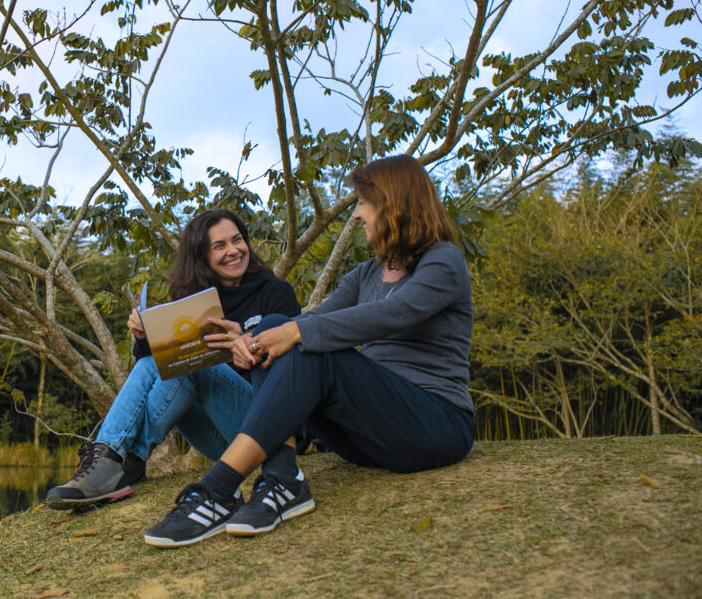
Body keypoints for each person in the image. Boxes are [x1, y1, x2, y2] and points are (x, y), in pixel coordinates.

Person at [143, 155, 475, 547]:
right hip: (368, 438)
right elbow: (309, 321)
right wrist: (248, 335)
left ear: (393, 204)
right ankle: (283, 477)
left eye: (362, 203)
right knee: (273, 326)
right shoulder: (367, 273)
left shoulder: (443, 261)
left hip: (435, 425)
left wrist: (293, 331)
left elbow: (391, 314)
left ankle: (219, 488)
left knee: (298, 335)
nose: (355, 216)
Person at [45, 209, 300, 509]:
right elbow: (153, 366)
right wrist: (143, 336)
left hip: (268, 426)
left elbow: (295, 367)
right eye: (220, 246)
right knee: (167, 363)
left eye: (237, 240)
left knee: (188, 364)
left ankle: (122, 459)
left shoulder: (275, 292)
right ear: (201, 256)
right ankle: (117, 462)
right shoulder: (194, 301)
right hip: (219, 438)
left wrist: (246, 340)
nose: (233, 251)